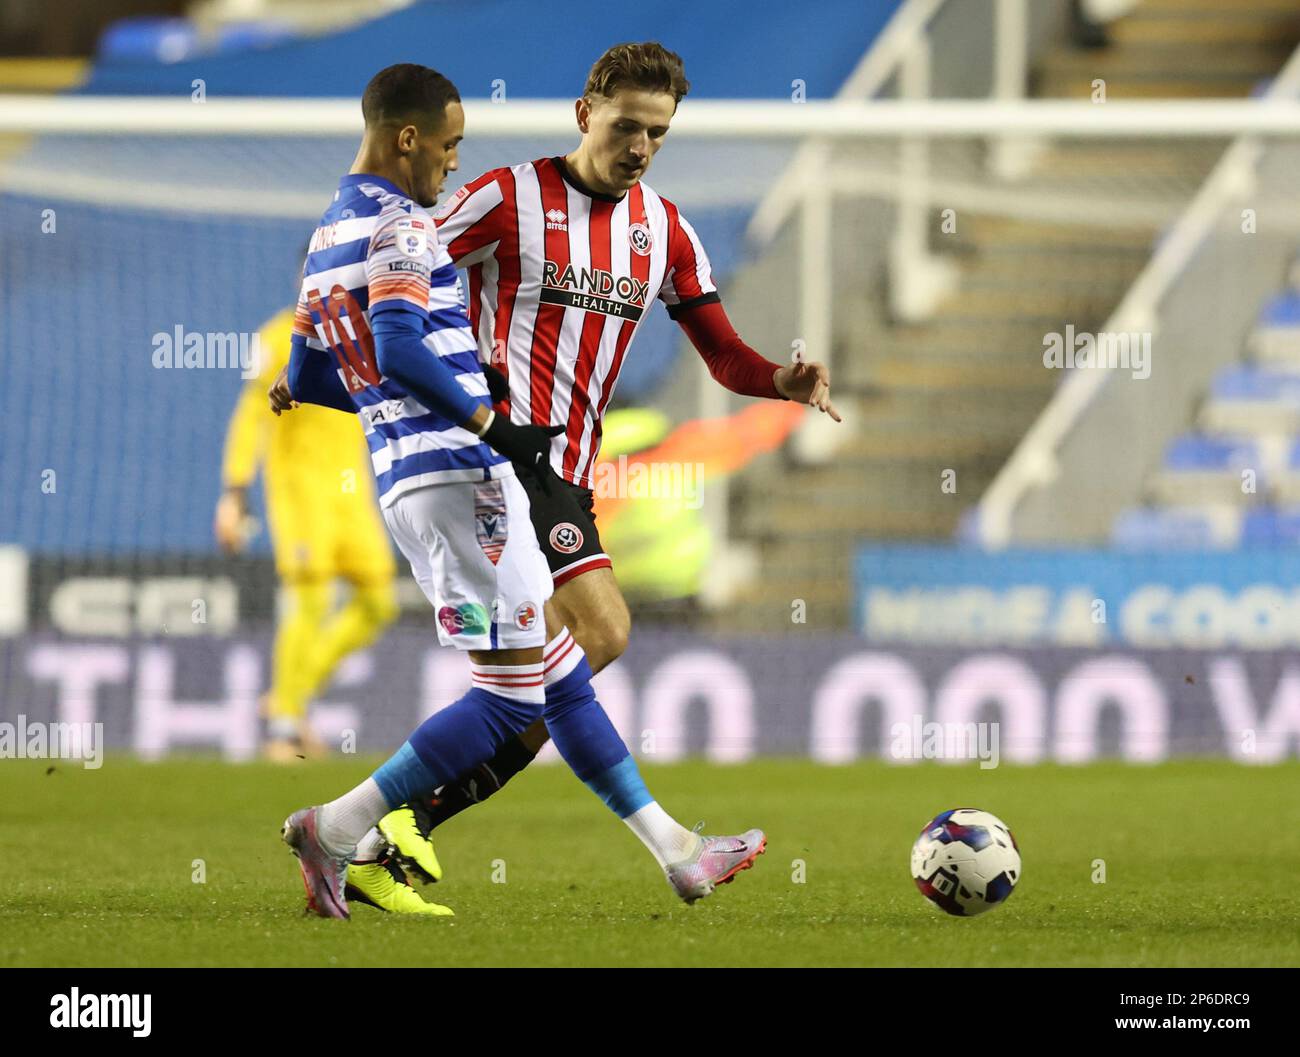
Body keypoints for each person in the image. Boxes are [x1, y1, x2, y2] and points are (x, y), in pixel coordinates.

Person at [277, 62, 765, 918]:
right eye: (450, 145)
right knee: (511, 701)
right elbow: (395, 348)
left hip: (408, 478)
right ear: (408, 139)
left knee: (563, 668)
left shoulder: (327, 234)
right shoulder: (405, 225)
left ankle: (680, 851)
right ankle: (345, 823)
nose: (454, 164)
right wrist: (491, 423)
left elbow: (312, 376)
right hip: (463, 471)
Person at [371, 42, 840, 887]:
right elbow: (397, 268)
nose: (640, 147)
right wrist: (327, 341)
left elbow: (721, 353)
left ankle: (389, 822)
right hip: (498, 456)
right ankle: (672, 852)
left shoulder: (665, 231)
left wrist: (777, 379)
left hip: (569, 475)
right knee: (598, 634)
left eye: (657, 134)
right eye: (627, 126)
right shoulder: (505, 198)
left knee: (553, 667)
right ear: (586, 114)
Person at [216, 305, 399, 764]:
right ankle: (282, 727)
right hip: (300, 494)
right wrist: (234, 492)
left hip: (351, 494)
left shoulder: (367, 337)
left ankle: (287, 698)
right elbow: (250, 414)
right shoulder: (279, 335)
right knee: (312, 599)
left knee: (379, 602)